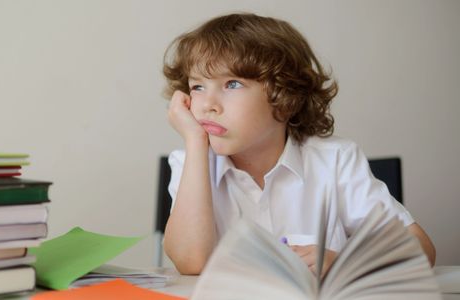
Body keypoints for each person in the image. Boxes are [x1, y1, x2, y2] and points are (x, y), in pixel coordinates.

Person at [162, 13, 435, 276]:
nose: (208, 105)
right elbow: (192, 261)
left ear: (285, 96)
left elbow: (420, 249)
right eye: (197, 87)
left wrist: (347, 264)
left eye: (232, 84)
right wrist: (196, 141)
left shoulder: (335, 160)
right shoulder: (190, 161)